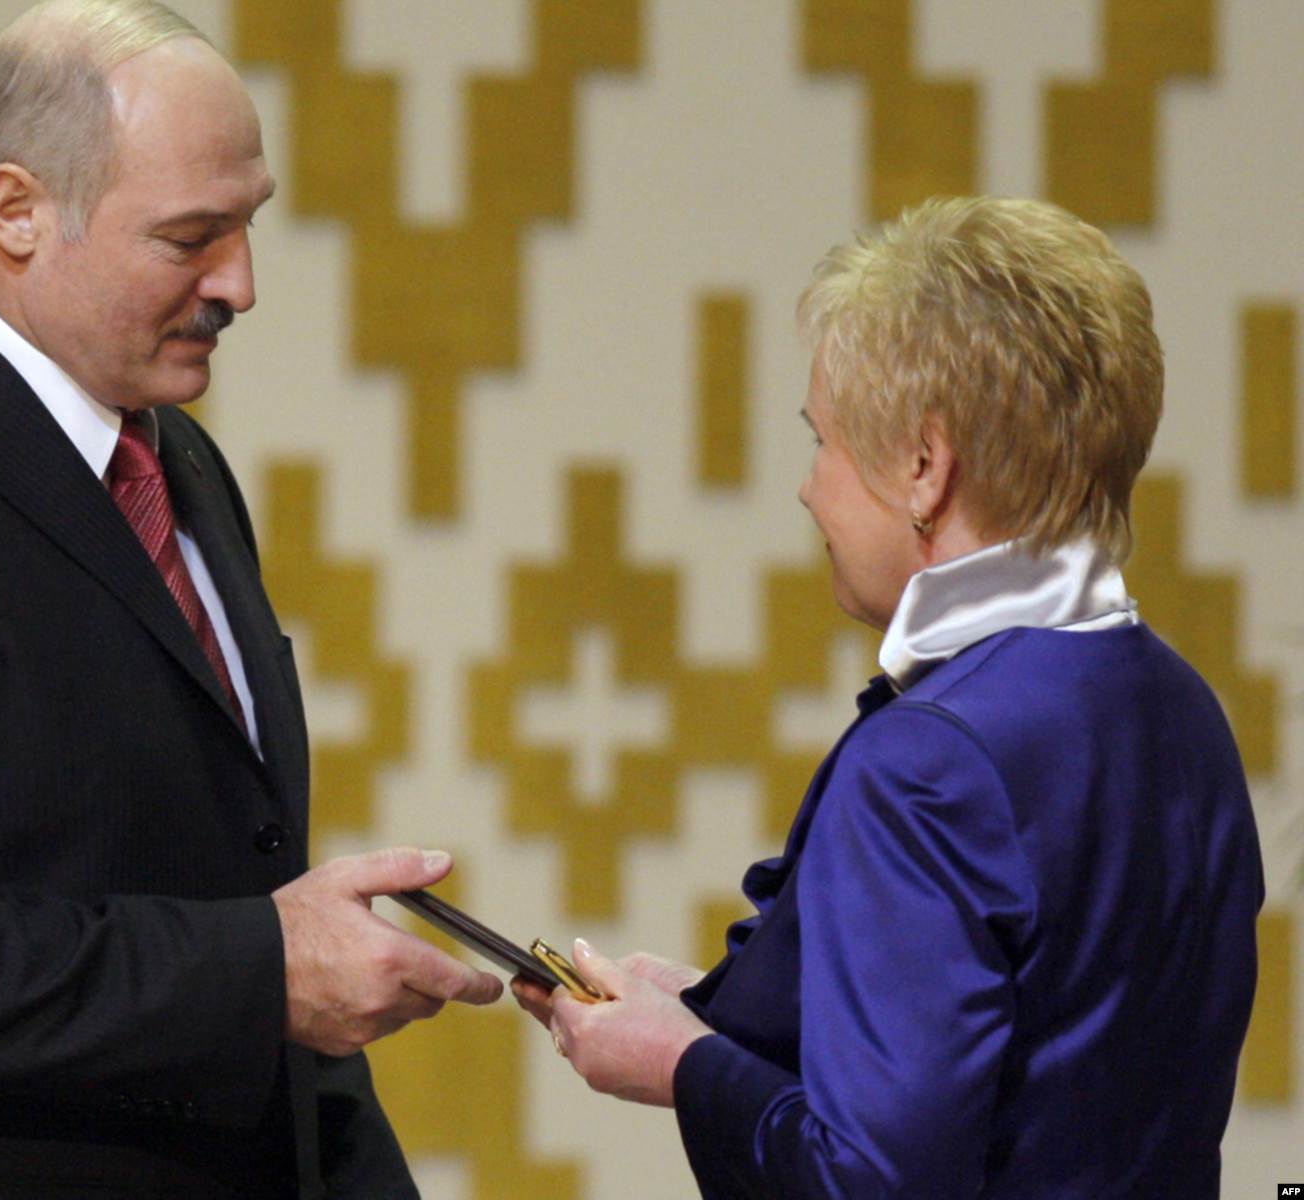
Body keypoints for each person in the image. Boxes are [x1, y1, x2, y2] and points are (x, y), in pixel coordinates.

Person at [0, 3, 501, 1196]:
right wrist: (257, 971)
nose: (240, 283)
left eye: (248, 223)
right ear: (17, 212)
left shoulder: (173, 459)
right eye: (190, 238)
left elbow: (237, 881)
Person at [515, 196, 1264, 1197]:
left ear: (922, 466)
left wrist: (680, 1065)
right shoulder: (1182, 707)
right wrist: (719, 1015)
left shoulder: (930, 763)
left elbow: (872, 1181)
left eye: (821, 440)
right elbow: (1038, 1062)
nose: (808, 488)